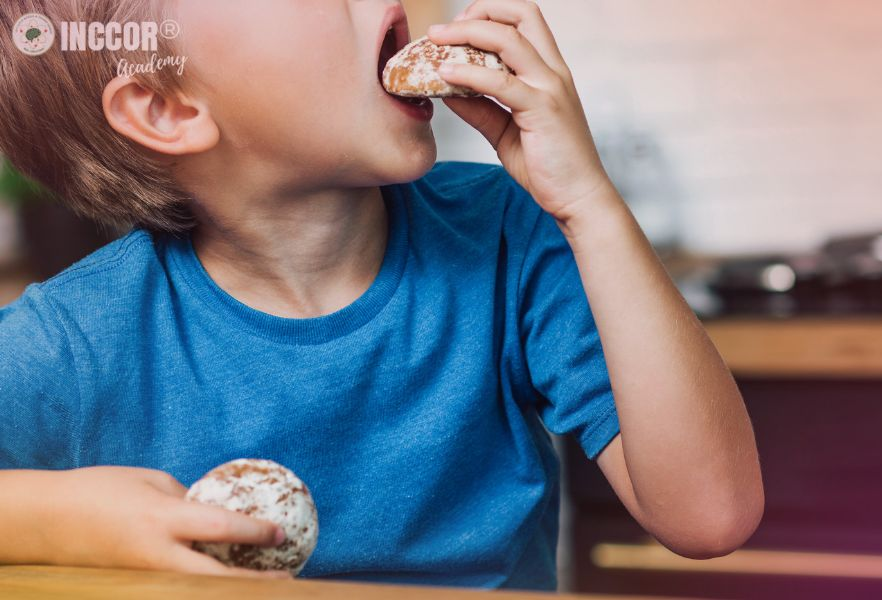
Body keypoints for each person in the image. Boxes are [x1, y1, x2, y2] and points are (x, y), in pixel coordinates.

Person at [0, 0, 763, 590]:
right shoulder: (71, 339)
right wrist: (61, 518)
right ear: (168, 109)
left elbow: (711, 515)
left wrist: (589, 204)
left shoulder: (509, 234)